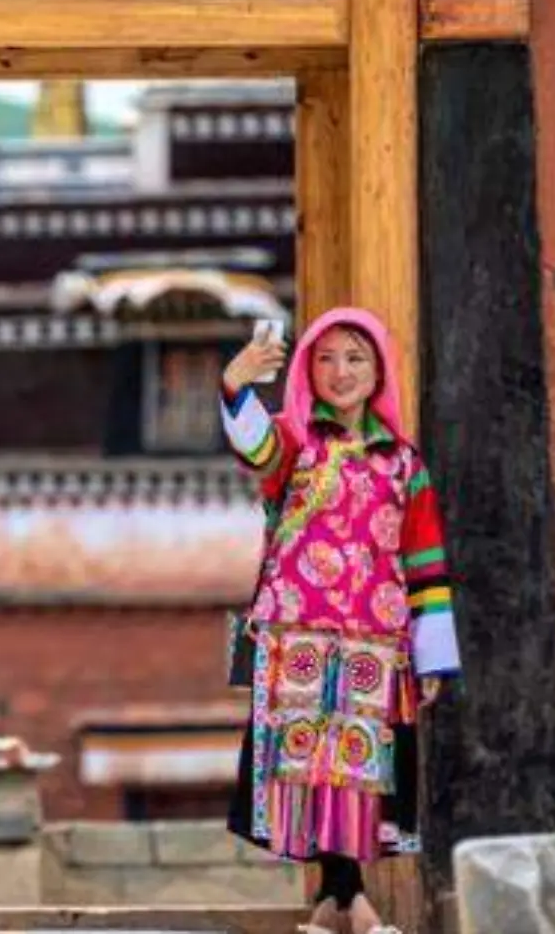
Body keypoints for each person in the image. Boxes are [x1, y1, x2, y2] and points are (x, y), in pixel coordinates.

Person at [218, 308, 461, 934]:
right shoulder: (294, 441)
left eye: (356, 357)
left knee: (356, 771)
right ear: (308, 369)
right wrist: (234, 385)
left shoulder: (406, 464)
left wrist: (431, 655)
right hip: (295, 635)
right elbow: (253, 446)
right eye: (326, 358)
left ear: (379, 370)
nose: (341, 371)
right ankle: (352, 904)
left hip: (375, 642)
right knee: (310, 770)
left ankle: (336, 905)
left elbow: (426, 561)